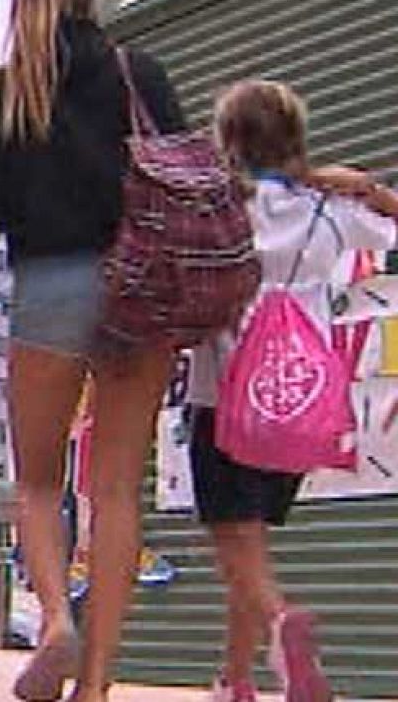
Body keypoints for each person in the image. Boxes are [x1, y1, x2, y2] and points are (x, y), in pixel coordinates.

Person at [0, 0, 186, 702]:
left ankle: (55, 619)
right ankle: (97, 682)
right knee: (116, 488)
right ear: (88, 1)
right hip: (141, 286)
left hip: (49, 284)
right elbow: (185, 169)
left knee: (39, 481)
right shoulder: (135, 73)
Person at [190, 81, 398, 702]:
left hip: (221, 395)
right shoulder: (328, 211)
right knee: (249, 542)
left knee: (237, 537)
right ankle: (237, 678)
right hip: (296, 400)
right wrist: (364, 186)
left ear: (228, 141)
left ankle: (282, 623)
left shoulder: (220, 209)